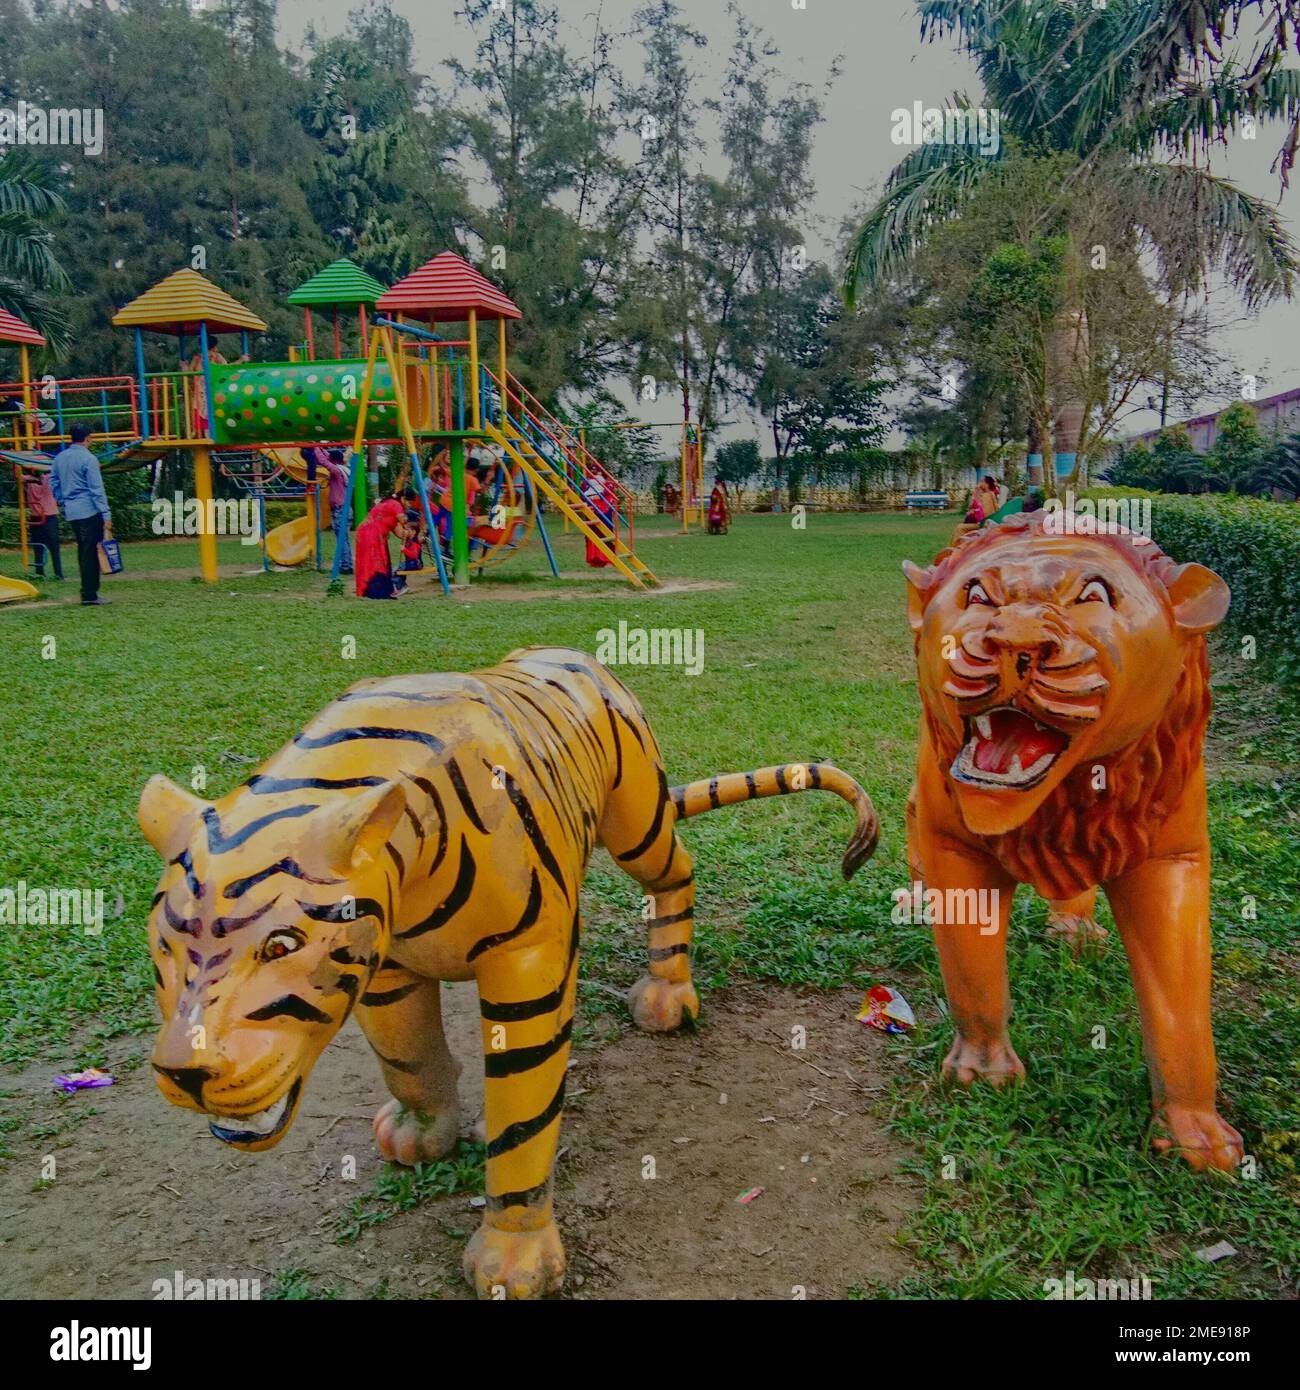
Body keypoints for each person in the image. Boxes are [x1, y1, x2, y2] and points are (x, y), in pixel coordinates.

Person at [49, 422, 112, 605]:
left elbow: (53, 481)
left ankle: (88, 591)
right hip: (89, 510)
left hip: (72, 511)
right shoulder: (89, 459)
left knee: (84, 550)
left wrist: (62, 499)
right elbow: (96, 489)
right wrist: (106, 514)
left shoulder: (60, 458)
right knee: (90, 552)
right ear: (87, 438)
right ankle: (89, 594)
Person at [353, 495, 407, 599]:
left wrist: (410, 533)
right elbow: (404, 521)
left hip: (371, 534)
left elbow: (400, 533)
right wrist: (419, 524)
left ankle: (384, 591)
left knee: (383, 563)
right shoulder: (395, 504)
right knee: (374, 564)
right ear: (403, 498)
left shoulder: (389, 508)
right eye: (408, 503)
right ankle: (376, 592)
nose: (408, 506)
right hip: (370, 534)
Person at [316, 448, 353, 574]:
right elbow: (327, 456)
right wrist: (320, 447)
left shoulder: (337, 471)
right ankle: (347, 564)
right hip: (344, 509)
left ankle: (346, 566)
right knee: (344, 539)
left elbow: (323, 460)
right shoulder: (343, 469)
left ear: (333, 461)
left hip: (340, 510)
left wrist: (314, 446)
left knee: (342, 539)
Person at [24, 466, 63, 580]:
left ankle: (41, 572)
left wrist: (15, 464)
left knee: (38, 548)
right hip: (48, 517)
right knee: (53, 548)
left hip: (37, 517)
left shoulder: (29, 479)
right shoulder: (48, 478)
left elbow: (17, 476)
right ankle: (58, 574)